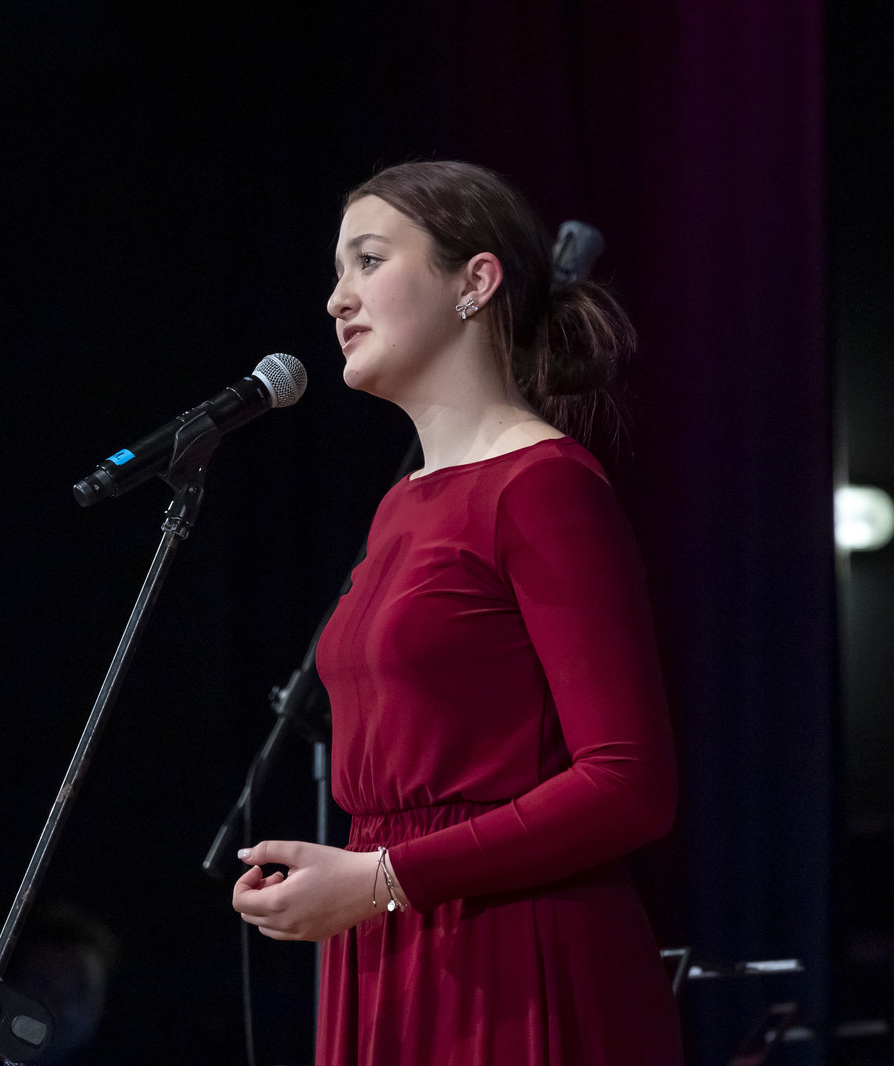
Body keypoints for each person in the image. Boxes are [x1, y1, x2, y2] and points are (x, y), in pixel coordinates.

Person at [231, 160, 683, 1065]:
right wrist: (363, 881)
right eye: (337, 271)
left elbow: (629, 783)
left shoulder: (544, 487)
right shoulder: (401, 507)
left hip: (512, 956)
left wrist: (386, 877)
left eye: (367, 261)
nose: (336, 300)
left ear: (475, 281)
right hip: (391, 943)